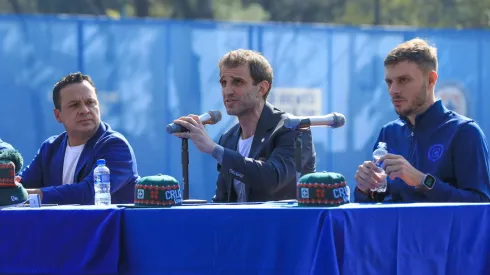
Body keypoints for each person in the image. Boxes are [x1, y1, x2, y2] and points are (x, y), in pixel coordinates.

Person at [354, 38, 490, 203]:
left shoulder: (464, 132)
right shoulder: (389, 133)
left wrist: (422, 180)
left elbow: (481, 204)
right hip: (394, 230)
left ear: (431, 80)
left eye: (404, 80)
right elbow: (375, 204)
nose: (393, 90)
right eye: (389, 82)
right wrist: (364, 189)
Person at [173, 49, 316, 202]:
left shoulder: (292, 129)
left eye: (238, 82)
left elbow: (273, 180)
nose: (227, 91)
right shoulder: (228, 138)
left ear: (262, 88)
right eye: (223, 83)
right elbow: (222, 201)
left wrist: (213, 149)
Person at [19, 72, 139, 205]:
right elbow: (22, 186)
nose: (85, 110)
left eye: (90, 102)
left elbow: (88, 193)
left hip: (106, 226)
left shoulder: (115, 146)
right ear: (58, 115)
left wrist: (39, 195)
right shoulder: (50, 147)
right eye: (74, 105)